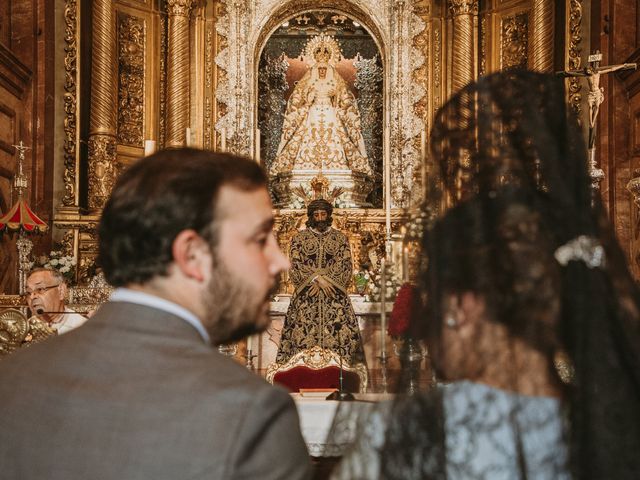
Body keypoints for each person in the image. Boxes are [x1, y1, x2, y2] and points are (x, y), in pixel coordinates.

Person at [332, 70, 640, 479]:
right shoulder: (618, 427)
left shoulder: (400, 435)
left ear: (462, 304)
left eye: (434, 297)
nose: (426, 327)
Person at [0, 148, 311, 480]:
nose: (281, 262)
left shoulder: (11, 380)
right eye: (261, 239)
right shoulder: (250, 414)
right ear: (192, 254)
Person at [276, 198, 365, 365]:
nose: (320, 218)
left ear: (329, 215)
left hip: (334, 296)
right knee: (301, 336)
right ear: (311, 216)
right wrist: (316, 279)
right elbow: (295, 263)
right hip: (306, 296)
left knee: (340, 337)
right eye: (316, 215)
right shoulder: (299, 238)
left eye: (323, 214)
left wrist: (327, 281)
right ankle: (300, 374)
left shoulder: (340, 238)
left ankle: (341, 377)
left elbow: (345, 264)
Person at [270, 34, 372, 177]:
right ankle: (306, 165)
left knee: (337, 137)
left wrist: (335, 97)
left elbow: (347, 101)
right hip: (312, 113)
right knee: (307, 138)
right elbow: (296, 100)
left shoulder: (336, 80)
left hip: (330, 112)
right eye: (320, 68)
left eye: (325, 68)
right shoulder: (309, 79)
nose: (322, 71)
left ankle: (336, 166)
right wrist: (308, 99)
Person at [24, 267, 87, 334]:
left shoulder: (81, 328)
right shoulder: (24, 329)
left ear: (61, 291)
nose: (32, 297)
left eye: (40, 289)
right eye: (28, 292)